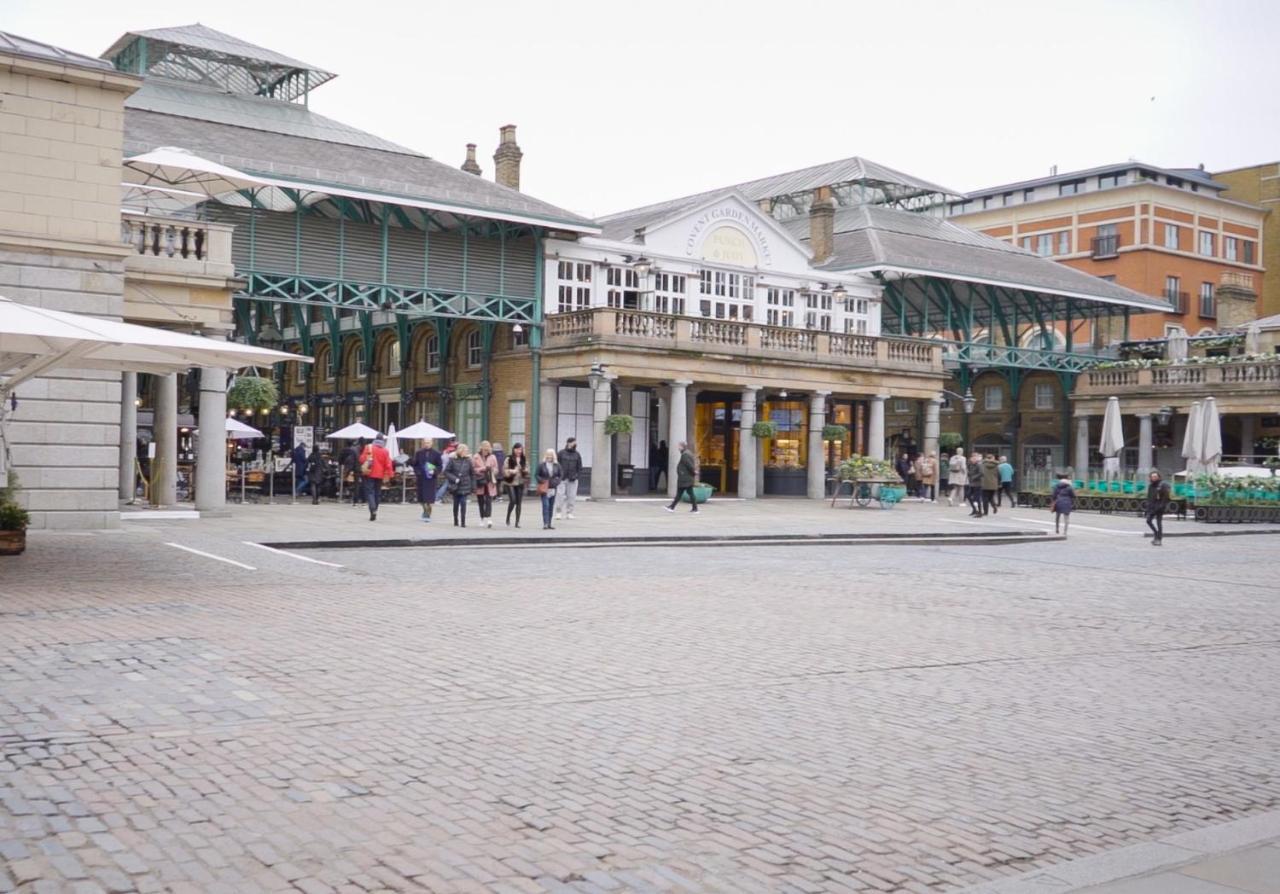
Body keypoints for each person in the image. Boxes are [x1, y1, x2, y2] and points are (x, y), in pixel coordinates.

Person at [358, 435, 393, 521]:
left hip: (369, 473)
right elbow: (388, 464)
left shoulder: (368, 447)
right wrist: (389, 474)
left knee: (370, 492)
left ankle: (372, 509)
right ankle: (375, 509)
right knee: (377, 493)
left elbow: (361, 459)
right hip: (380, 475)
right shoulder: (385, 451)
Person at [445, 443, 476, 527]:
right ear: (460, 451)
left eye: (467, 451)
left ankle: (463, 521)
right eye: (465, 450)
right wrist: (455, 479)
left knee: (463, 503)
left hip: (465, 484)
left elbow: (472, 474)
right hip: (456, 486)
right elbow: (447, 472)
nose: (466, 452)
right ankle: (455, 519)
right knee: (456, 503)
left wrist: (473, 486)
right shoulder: (452, 460)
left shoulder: (468, 460)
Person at [411, 439, 442, 522]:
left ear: (432, 443)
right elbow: (415, 464)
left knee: (429, 498)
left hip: (431, 479)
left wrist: (434, 471)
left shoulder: (436, 454)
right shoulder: (419, 453)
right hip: (421, 478)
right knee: (421, 498)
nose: (426, 444)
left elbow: (440, 466)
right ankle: (425, 510)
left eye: (428, 443)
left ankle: (427, 514)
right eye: (425, 443)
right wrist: (418, 472)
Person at [472, 440, 500, 529]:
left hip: (489, 480)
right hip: (480, 480)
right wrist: (481, 469)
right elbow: (472, 469)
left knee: (488, 500)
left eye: (487, 448)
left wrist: (492, 471)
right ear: (481, 447)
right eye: (484, 448)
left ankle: (489, 518)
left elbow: (496, 469)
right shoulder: (476, 456)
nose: (486, 450)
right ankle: (481, 518)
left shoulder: (492, 457)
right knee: (481, 501)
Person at [665, 441, 699, 513]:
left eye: (679, 446)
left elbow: (689, 465)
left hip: (685, 478)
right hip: (686, 478)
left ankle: (672, 507)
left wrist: (693, 471)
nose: (678, 448)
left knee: (683, 493)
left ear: (682, 447)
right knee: (684, 493)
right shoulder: (686, 453)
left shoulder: (685, 454)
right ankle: (672, 507)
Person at [556, 437, 582, 520]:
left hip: (573, 479)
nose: (575, 444)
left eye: (575, 442)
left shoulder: (577, 454)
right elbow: (556, 465)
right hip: (562, 478)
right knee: (560, 495)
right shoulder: (561, 453)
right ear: (568, 443)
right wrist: (558, 476)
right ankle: (558, 512)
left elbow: (579, 467)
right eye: (573, 442)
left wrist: (576, 476)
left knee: (571, 496)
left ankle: (570, 512)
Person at [504, 442, 529, 527]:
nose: (519, 451)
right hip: (510, 482)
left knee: (519, 503)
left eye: (521, 449)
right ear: (514, 449)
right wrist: (512, 471)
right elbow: (504, 471)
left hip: (520, 482)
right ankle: (508, 517)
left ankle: (517, 522)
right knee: (513, 500)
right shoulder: (509, 459)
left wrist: (525, 470)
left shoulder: (524, 459)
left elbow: (527, 469)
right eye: (517, 449)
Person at [536, 448, 562, 529]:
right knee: (545, 505)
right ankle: (545, 523)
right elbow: (536, 475)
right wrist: (542, 481)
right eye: (548, 454)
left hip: (553, 488)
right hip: (544, 488)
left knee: (551, 506)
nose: (549, 456)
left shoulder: (557, 465)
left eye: (551, 455)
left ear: (553, 456)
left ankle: (550, 523)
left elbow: (560, 475)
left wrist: (557, 481)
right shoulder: (541, 465)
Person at [1145, 470, 1171, 546]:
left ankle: (1159, 539)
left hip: (1160, 507)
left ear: (1159, 477)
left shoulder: (1163, 485)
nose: (1154, 478)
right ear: (1150, 477)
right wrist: (1148, 507)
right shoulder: (1151, 486)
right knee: (1148, 520)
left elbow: (1166, 497)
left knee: (1159, 522)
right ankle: (1156, 533)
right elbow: (1149, 497)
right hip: (1152, 506)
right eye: (1152, 476)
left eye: (1155, 476)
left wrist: (1162, 506)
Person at [341, 439, 362, 506]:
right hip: (360, 469)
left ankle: (353, 498)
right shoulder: (361, 450)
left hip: (353, 469)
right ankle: (361, 499)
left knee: (354, 484)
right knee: (358, 485)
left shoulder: (351, 450)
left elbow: (346, 460)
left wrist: (347, 471)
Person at [967, 453, 984, 517]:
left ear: (977, 458)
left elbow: (981, 473)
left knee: (977, 498)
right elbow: (970, 471)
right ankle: (974, 509)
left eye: (974, 458)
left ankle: (979, 512)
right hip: (972, 484)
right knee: (968, 495)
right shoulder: (971, 465)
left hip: (977, 484)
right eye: (972, 458)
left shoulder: (979, 465)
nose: (973, 459)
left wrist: (974, 477)